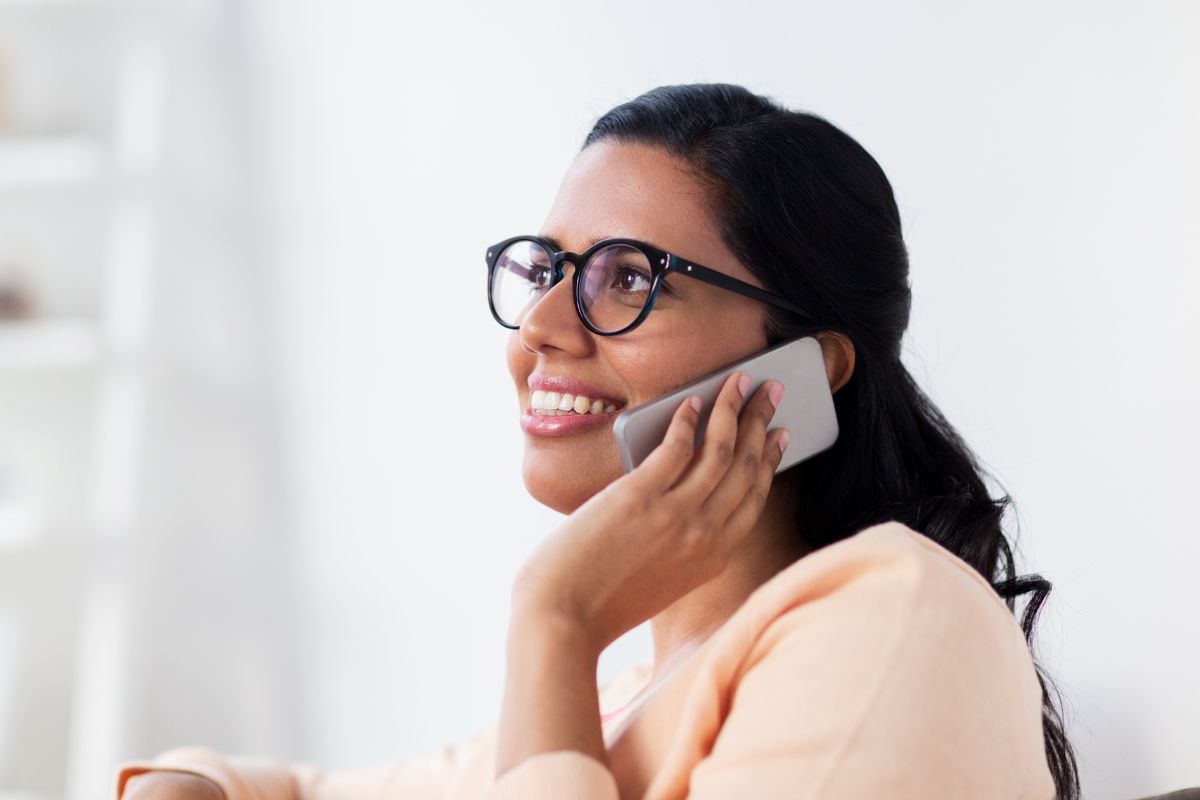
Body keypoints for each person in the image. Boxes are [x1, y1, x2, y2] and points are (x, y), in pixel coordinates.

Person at [113, 83, 1078, 800]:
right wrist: (187, 783)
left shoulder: (896, 614)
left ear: (806, 367)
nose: (539, 326)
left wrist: (556, 614)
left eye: (628, 280)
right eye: (547, 269)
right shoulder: (621, 699)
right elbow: (297, 791)